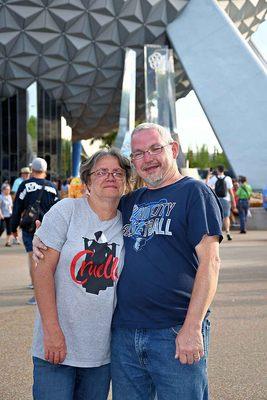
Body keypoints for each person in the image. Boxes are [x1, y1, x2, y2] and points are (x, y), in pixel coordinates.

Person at [34, 123, 223, 400]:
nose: (148, 158)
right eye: (139, 153)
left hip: (173, 330)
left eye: (155, 149)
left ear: (173, 149)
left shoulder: (195, 193)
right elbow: (95, 208)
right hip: (124, 336)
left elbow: (211, 263)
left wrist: (193, 327)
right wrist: (43, 234)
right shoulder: (130, 202)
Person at [32, 149, 131, 400]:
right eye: (102, 172)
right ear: (87, 181)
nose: (110, 177)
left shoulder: (128, 225)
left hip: (100, 353)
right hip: (56, 344)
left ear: (126, 181)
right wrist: (52, 332)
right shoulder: (67, 210)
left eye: (117, 172)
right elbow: (42, 272)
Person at [11, 157, 59, 305]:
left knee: (33, 258)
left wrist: (13, 229)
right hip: (49, 228)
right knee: (48, 259)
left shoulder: (25, 185)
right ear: (45, 171)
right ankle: (50, 291)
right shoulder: (52, 187)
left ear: (32, 170)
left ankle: (37, 294)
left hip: (30, 228)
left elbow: (17, 208)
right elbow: (58, 210)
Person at [207, 165, 236, 241]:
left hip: (216, 200)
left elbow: (206, 186)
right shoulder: (228, 179)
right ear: (223, 170)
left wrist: (208, 175)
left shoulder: (214, 178)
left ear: (217, 170)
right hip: (226, 200)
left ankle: (218, 233)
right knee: (226, 217)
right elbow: (231, 192)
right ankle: (228, 233)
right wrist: (233, 202)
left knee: (217, 216)